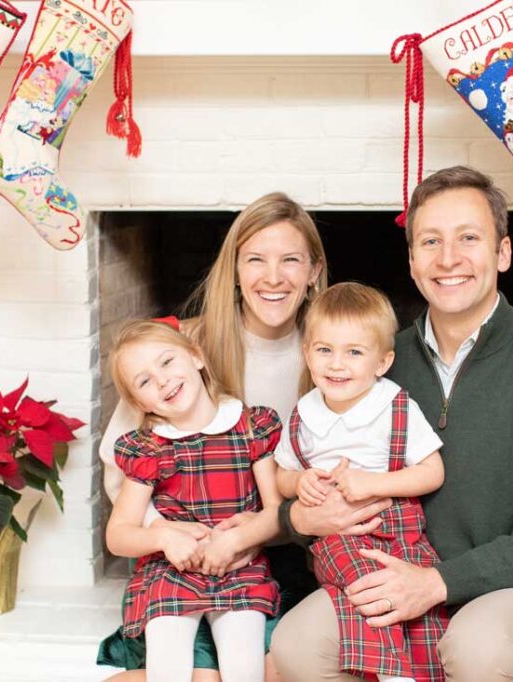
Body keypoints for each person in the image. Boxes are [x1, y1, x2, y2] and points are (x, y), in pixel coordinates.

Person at [271, 166, 513, 681]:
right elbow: (304, 476)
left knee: (478, 650)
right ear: (411, 260)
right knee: (294, 646)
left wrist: (435, 582)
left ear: (503, 252)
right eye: (430, 241)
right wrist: (301, 519)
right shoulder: (373, 362)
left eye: (469, 238)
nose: (448, 259)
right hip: (388, 566)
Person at [98, 193, 352, 681]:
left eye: (291, 260)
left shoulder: (334, 357)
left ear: (314, 270)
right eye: (256, 259)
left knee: (284, 667)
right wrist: (168, 533)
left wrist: (254, 534)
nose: (273, 277)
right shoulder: (179, 352)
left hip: (284, 553)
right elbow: (121, 469)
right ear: (235, 269)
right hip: (183, 556)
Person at [274, 282, 447, 682]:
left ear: (382, 362)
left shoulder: (394, 406)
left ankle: (423, 668)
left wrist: (373, 484)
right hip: (340, 538)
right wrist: (300, 482)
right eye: (324, 350)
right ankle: (393, 674)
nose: (337, 364)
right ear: (307, 355)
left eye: (354, 352)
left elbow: (432, 471)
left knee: (420, 606)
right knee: (366, 583)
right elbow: (281, 474)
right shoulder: (304, 413)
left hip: (402, 530)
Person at [106, 318, 283, 681]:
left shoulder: (250, 428)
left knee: (244, 668)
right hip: (171, 573)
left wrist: (242, 539)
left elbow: (278, 512)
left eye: (167, 362)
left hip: (238, 569)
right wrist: (163, 536)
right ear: (138, 401)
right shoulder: (149, 449)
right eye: (144, 381)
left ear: (196, 357)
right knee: (167, 668)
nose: (162, 380)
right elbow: (118, 534)